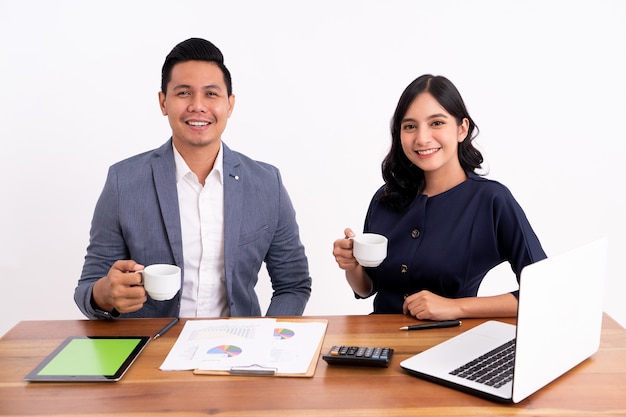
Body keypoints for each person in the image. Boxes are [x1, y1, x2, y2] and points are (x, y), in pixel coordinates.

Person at [75, 38, 311, 319]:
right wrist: (105, 295)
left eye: (211, 94)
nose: (198, 106)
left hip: (236, 349)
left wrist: (264, 339)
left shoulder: (266, 183)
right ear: (163, 102)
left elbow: (293, 284)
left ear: (230, 104)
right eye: (184, 93)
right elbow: (89, 287)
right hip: (151, 350)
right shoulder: (122, 182)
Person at [332, 74, 546, 321]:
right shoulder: (385, 197)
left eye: (436, 123)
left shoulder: (491, 200)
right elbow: (367, 288)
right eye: (410, 126)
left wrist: (456, 307)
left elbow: (544, 292)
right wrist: (353, 265)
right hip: (380, 344)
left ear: (462, 129)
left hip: (449, 345)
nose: (422, 138)